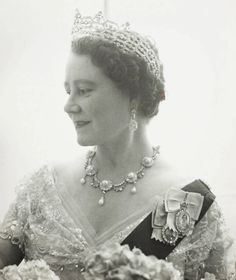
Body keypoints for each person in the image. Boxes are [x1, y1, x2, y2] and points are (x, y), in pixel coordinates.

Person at [0, 11, 235, 280]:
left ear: (132, 96)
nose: (68, 106)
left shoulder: (188, 204)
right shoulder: (41, 189)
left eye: (85, 90)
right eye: (68, 91)